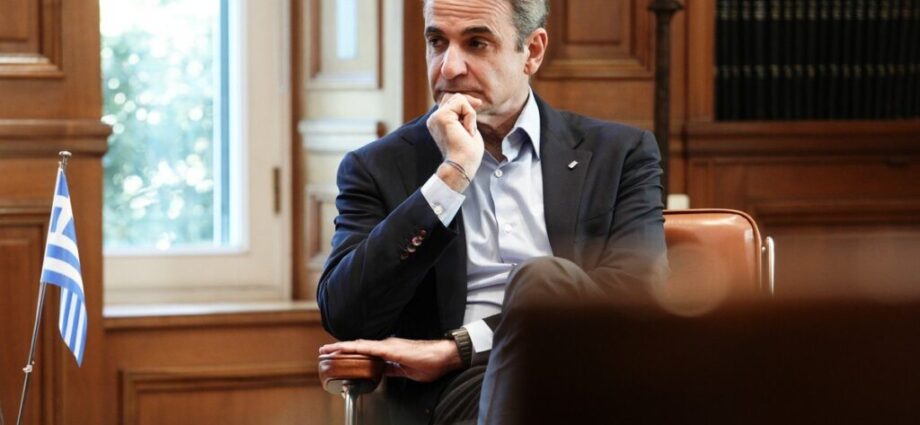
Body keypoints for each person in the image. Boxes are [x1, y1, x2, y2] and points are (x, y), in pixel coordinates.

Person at [317, 0, 668, 423]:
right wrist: (449, 179)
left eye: (477, 43)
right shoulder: (378, 167)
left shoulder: (619, 154)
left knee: (542, 282)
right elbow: (346, 315)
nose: (449, 68)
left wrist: (459, 347)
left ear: (532, 51)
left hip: (591, 371)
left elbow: (639, 296)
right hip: (461, 394)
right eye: (437, 42)